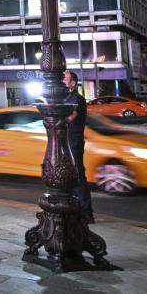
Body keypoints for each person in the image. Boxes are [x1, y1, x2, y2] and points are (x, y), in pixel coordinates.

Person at [63, 70, 94, 224]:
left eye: (65, 78)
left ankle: (87, 213)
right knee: (69, 177)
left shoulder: (77, 99)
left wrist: (55, 114)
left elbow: (70, 118)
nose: (62, 80)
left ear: (73, 83)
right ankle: (75, 209)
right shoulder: (65, 98)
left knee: (78, 175)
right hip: (65, 140)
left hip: (74, 141)